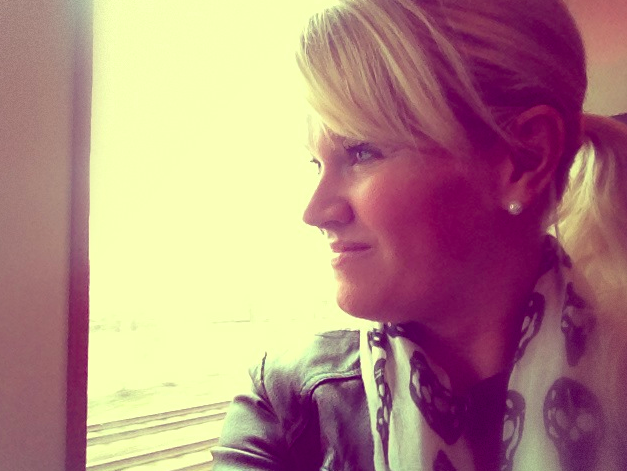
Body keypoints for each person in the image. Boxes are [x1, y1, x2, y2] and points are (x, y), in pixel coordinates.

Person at [212, 0, 627, 469]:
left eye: (362, 151)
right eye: (316, 163)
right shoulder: (288, 408)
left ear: (525, 157)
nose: (315, 212)